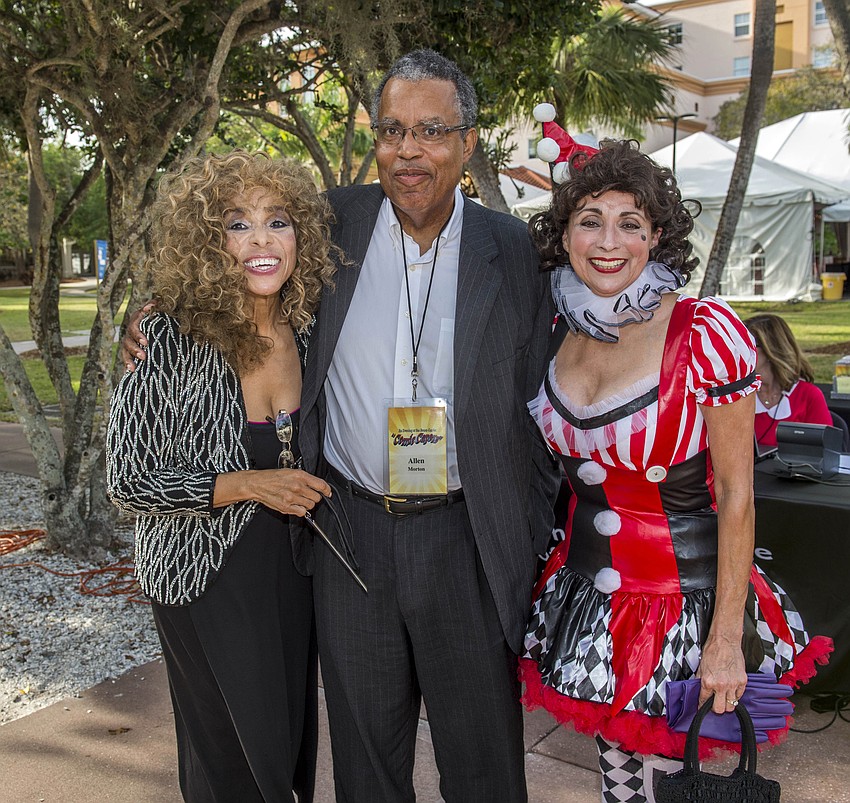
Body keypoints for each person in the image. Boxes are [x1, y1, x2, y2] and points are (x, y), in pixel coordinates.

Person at [121, 51, 559, 802]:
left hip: (467, 540)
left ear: (469, 142)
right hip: (350, 534)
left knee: (485, 762)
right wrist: (154, 308)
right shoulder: (332, 222)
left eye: (431, 130)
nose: (408, 150)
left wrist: (525, 528)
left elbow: (544, 401)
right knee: (365, 765)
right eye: (391, 130)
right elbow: (233, 248)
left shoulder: (515, 252)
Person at [518, 138, 833, 803]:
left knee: (668, 773)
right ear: (565, 232)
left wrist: (725, 638)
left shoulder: (704, 330)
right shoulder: (556, 324)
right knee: (619, 767)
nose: (610, 241)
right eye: (590, 219)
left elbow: (737, 495)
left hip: (684, 600)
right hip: (588, 591)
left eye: (630, 223)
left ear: (657, 235)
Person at [108, 151, 336, 802]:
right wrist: (251, 483)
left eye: (278, 220)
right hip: (202, 574)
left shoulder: (316, 330)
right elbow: (129, 478)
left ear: (303, 237)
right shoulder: (167, 336)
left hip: (294, 573)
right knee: (232, 764)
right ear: (208, 242)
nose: (262, 240)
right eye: (238, 223)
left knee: (285, 751)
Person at [746, 313, 833, 449]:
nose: (739, 352)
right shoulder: (740, 395)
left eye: (747, 345)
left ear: (771, 350)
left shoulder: (808, 395)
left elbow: (827, 451)